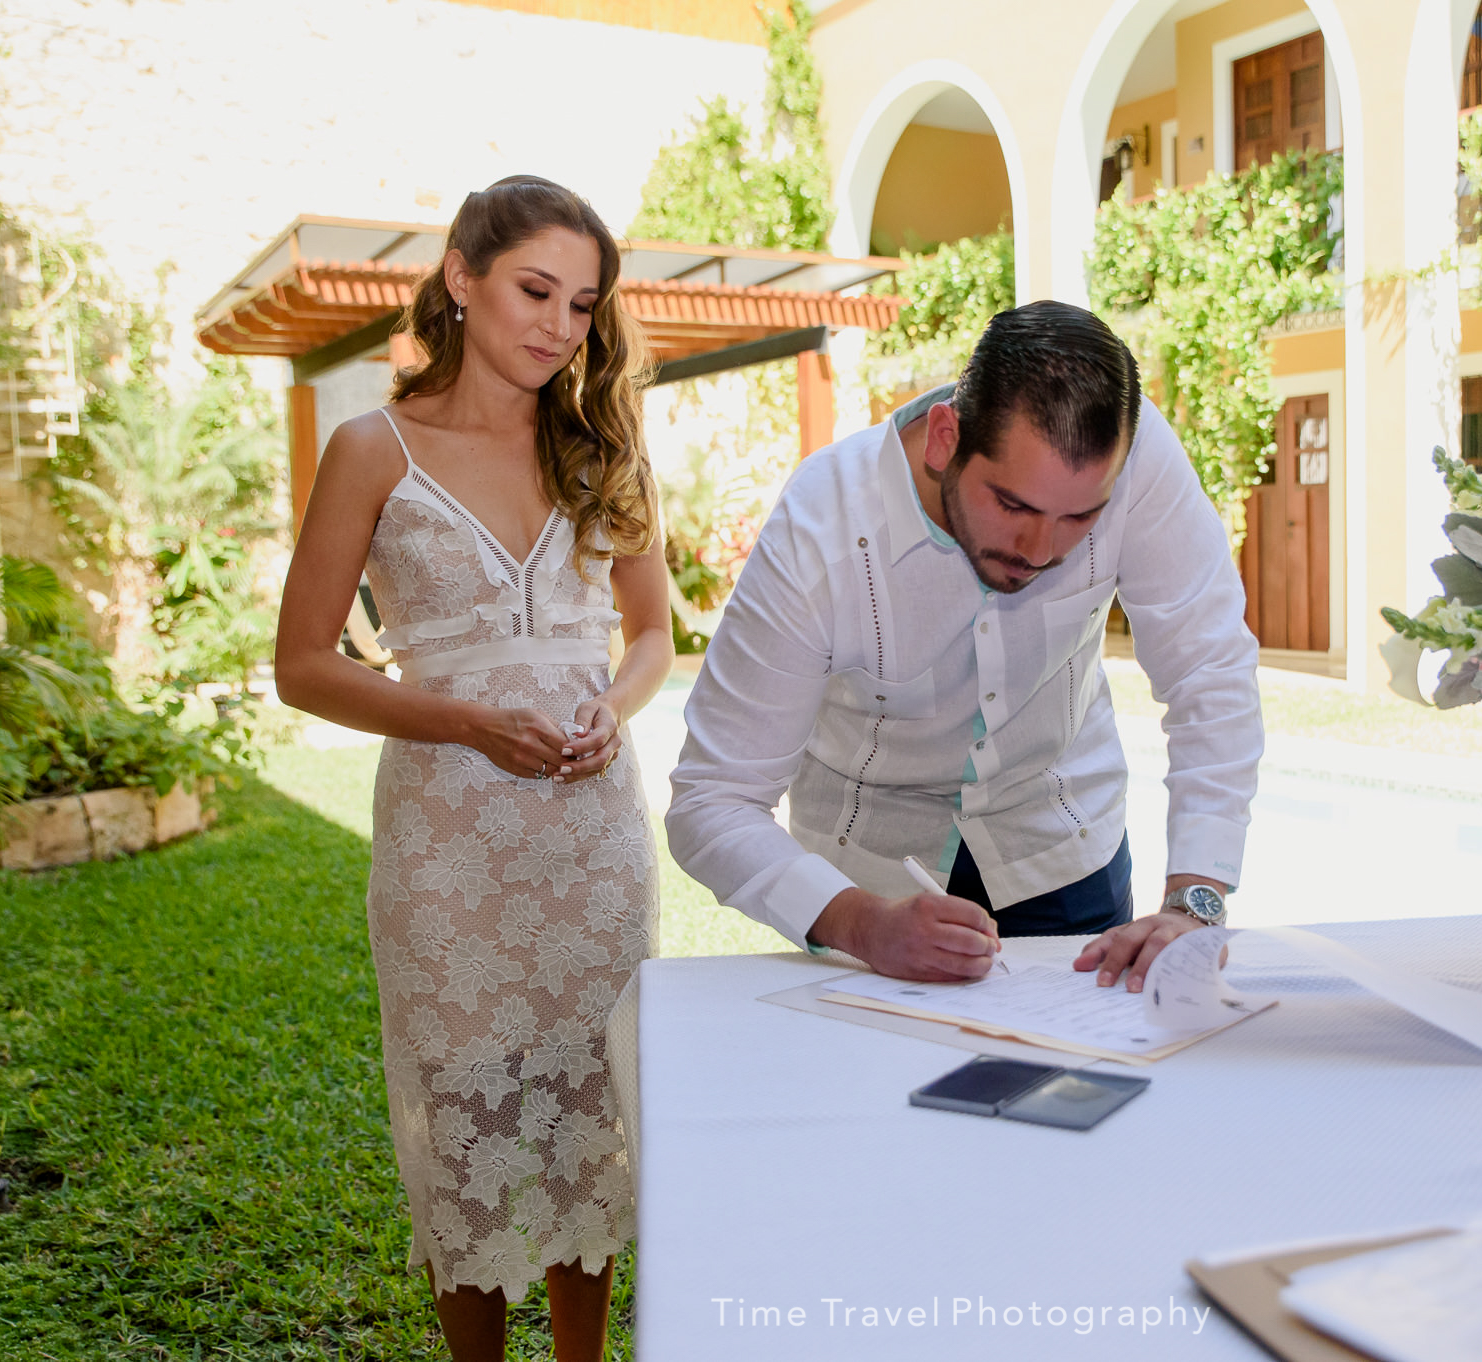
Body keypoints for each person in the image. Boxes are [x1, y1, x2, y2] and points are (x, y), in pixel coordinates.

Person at [275, 175, 671, 1362]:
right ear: (463, 278)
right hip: (449, 854)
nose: (558, 326)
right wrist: (462, 720)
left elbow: (652, 635)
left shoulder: (605, 446)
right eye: (535, 290)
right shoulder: (370, 449)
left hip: (594, 844)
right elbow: (301, 665)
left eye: (582, 304)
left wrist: (612, 703)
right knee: (467, 1131)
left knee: (589, 1118)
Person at [667, 301, 1262, 990]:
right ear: (945, 438)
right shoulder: (821, 524)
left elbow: (1210, 669)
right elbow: (711, 799)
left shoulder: (1136, 457)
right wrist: (859, 922)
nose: (1041, 551)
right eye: (1013, 506)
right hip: (869, 883)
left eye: (1081, 518)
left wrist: (1195, 902)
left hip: (1067, 852)